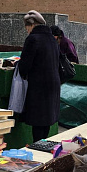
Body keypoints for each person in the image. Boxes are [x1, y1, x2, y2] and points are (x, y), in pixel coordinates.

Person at [18, 11, 61, 142]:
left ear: (32, 25)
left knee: (37, 122)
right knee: (46, 122)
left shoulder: (33, 39)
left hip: (39, 87)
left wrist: (18, 65)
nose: (27, 30)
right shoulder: (52, 39)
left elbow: (24, 67)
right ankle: (42, 147)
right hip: (53, 85)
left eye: (27, 27)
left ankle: (37, 149)